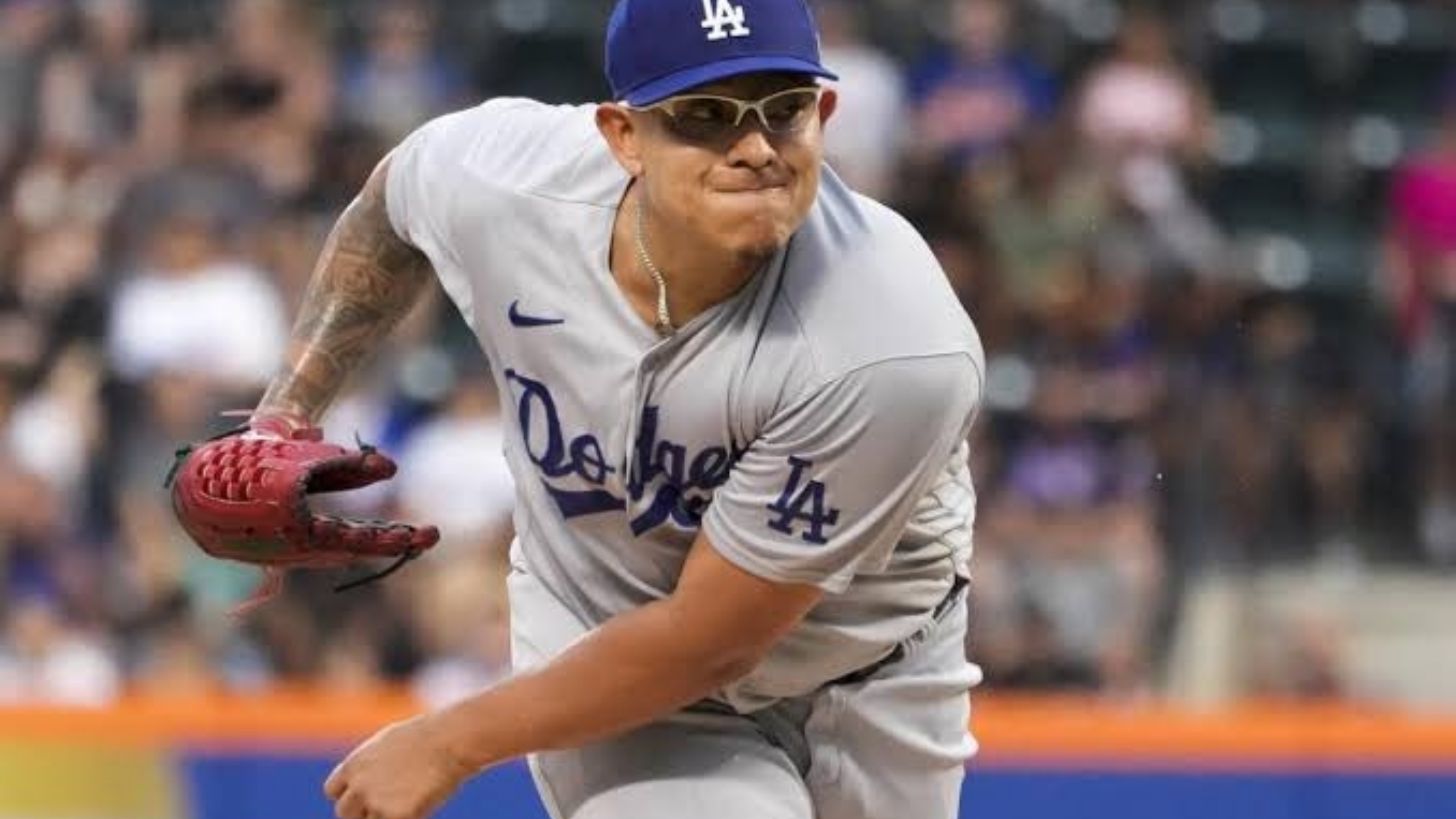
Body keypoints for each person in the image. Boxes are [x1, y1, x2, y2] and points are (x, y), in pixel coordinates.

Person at [197, 1, 985, 817]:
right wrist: (281, 418)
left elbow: (712, 640)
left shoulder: (890, 344)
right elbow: (390, 208)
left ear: (824, 113)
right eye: (705, 115)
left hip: (874, 668)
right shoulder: (512, 180)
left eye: (782, 110)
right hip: (609, 637)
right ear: (623, 135)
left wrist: (448, 739)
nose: (754, 147)